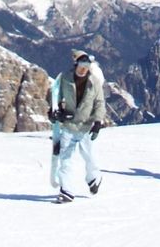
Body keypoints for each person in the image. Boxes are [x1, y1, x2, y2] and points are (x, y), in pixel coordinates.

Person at [50, 49, 106, 203]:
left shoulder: (94, 83)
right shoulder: (65, 79)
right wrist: (55, 112)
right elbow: (55, 97)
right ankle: (67, 190)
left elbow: (100, 103)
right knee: (65, 158)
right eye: (81, 66)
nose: (83, 70)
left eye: (86, 67)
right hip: (69, 125)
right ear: (75, 65)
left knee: (89, 156)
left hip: (86, 127)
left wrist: (98, 122)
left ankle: (94, 177)